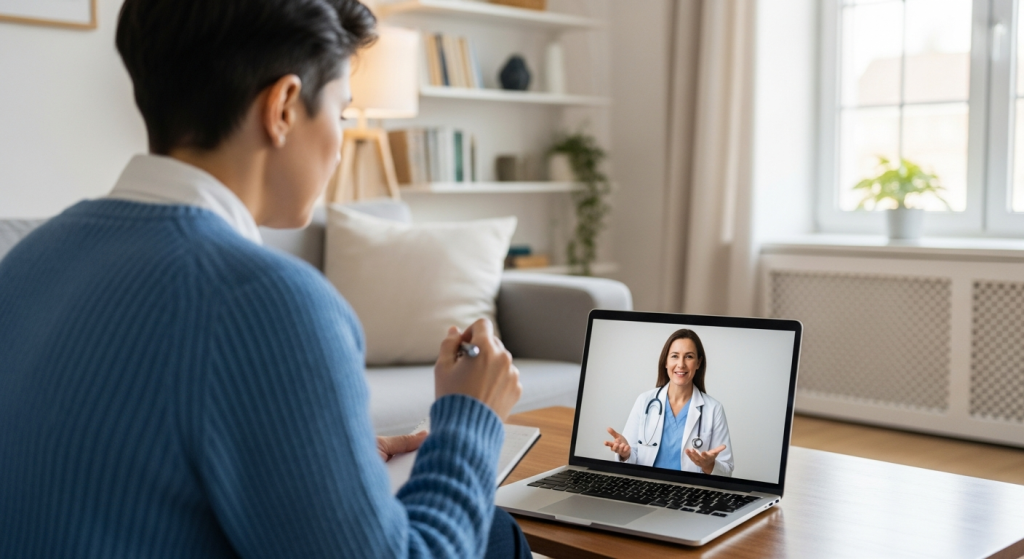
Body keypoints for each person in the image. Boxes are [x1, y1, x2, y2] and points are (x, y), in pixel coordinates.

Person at [0, 1, 531, 557]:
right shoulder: (267, 301)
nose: (340, 141)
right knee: (495, 536)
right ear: (282, 107)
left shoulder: (29, 260)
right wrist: (469, 418)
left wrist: (314, 457)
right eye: (342, 115)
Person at [604, 329, 734, 476]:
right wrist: (625, 455)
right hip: (646, 487)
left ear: (698, 363)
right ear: (665, 362)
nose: (681, 364)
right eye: (674, 356)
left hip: (689, 493)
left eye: (689, 357)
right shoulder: (644, 401)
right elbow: (630, 458)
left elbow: (726, 470)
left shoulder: (713, 409)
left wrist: (709, 465)